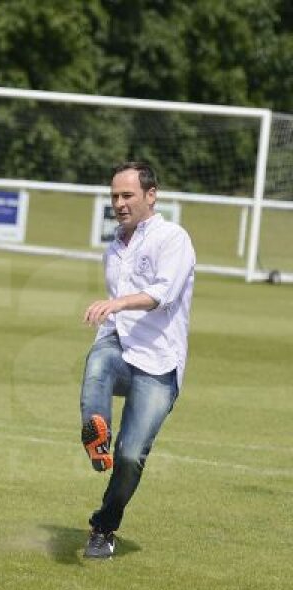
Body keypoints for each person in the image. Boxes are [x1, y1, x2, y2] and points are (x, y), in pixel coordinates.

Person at [78, 161, 195, 559]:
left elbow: (163, 293)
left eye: (127, 195)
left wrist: (118, 303)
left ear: (151, 195)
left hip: (160, 362)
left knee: (130, 459)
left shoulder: (173, 238)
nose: (119, 203)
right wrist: (112, 317)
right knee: (97, 363)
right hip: (120, 346)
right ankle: (97, 439)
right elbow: (117, 314)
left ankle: (103, 528)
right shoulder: (113, 248)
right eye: (114, 196)